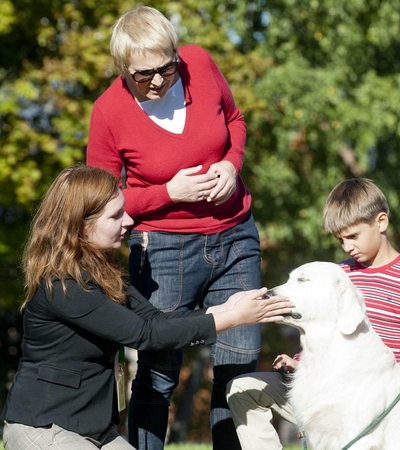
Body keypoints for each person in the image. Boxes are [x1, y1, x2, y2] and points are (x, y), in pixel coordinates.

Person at [0, 165, 293, 450]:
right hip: (45, 429)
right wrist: (231, 318)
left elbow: (154, 319)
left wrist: (222, 309)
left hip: (94, 431)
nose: (128, 221)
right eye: (115, 215)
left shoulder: (104, 270)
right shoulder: (64, 285)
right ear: (81, 225)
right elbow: (145, 334)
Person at [85, 6, 261, 449]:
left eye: (167, 67)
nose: (160, 81)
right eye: (144, 75)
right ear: (123, 68)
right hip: (163, 248)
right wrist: (169, 192)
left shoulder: (200, 63)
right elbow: (100, 201)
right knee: (159, 373)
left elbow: (235, 120)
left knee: (238, 368)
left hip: (236, 232)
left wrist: (230, 163)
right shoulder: (108, 112)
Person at [226, 178, 400, 449]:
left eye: (353, 236)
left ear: (381, 222)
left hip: (379, 404)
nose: (346, 247)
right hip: (321, 388)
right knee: (241, 389)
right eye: (340, 239)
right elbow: (323, 331)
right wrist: (300, 361)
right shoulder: (337, 274)